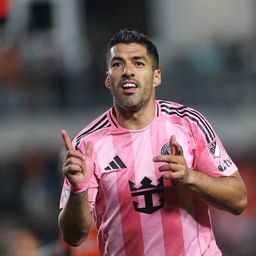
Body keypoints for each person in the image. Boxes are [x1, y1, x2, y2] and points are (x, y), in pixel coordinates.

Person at [58, 29, 247, 256]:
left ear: (156, 76)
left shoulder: (189, 124)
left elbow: (238, 199)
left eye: (138, 63)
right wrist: (79, 189)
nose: (127, 71)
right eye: (118, 64)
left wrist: (190, 177)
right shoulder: (88, 144)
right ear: (108, 79)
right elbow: (73, 236)